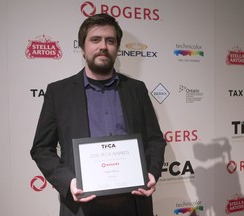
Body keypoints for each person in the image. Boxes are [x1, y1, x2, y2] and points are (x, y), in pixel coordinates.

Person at [31, 13, 166, 216]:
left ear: (117, 48)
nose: (103, 46)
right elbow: (41, 148)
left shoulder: (136, 89)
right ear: (82, 48)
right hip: (82, 205)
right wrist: (69, 182)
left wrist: (151, 172)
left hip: (134, 203)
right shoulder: (58, 92)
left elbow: (155, 139)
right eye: (95, 40)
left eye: (110, 41)